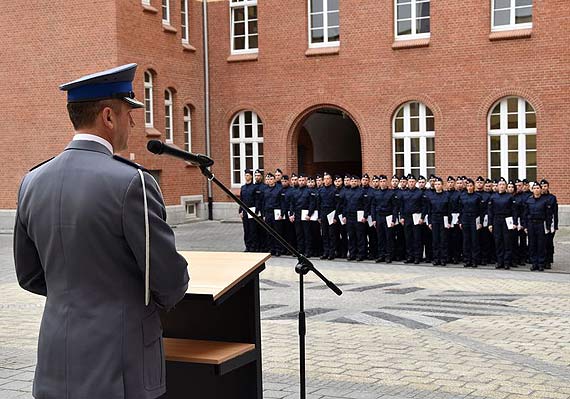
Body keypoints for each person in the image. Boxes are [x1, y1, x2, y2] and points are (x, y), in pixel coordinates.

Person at [14, 64, 190, 399]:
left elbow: (29, 275)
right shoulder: (132, 182)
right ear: (108, 116)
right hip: (119, 364)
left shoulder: (32, 181)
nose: (133, 122)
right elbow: (169, 281)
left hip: (56, 359)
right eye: (128, 113)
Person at [522, 182, 553, 271]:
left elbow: (548, 215)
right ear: (532, 190)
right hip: (531, 224)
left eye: (538, 188)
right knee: (532, 244)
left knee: (541, 244)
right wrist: (525, 226)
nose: (536, 190)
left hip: (540, 224)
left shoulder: (545, 201)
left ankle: (540, 263)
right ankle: (534, 263)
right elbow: (525, 214)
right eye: (534, 188)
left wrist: (548, 226)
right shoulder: (529, 200)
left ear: (540, 189)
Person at [488, 178, 517, 269]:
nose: (501, 186)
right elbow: (490, 212)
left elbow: (514, 211)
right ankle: (499, 261)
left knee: (507, 241)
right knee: (498, 241)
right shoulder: (493, 197)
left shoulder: (510, 197)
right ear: (497, 186)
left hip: (507, 220)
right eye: (500, 184)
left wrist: (515, 222)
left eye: (503, 185)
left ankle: (507, 262)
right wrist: (490, 224)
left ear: (506, 186)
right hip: (496, 220)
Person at [399, 174, 427, 264]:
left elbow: (424, 206)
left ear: (415, 182)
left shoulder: (419, 193)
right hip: (407, 217)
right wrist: (402, 217)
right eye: (410, 182)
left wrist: (422, 217)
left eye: (413, 182)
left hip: (416, 217)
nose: (411, 183)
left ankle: (417, 257)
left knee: (417, 238)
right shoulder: (404, 193)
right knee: (408, 238)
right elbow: (402, 207)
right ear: (407, 182)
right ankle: (409, 256)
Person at [370, 175, 399, 263]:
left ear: (387, 182)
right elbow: (373, 206)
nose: (382, 183)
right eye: (381, 181)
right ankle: (381, 255)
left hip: (388, 216)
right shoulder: (376, 193)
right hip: (379, 217)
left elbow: (395, 207)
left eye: (384, 181)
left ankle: (389, 255)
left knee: (389, 237)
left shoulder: (391, 193)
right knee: (380, 237)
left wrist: (394, 219)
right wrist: (374, 219)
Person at [341, 175, 368, 261]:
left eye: (355, 181)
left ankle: (361, 254)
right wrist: (344, 216)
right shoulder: (347, 192)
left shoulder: (362, 191)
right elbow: (344, 205)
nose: (353, 183)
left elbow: (366, 205)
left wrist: (365, 216)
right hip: (349, 216)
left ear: (358, 182)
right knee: (351, 236)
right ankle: (352, 253)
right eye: (352, 181)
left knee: (360, 236)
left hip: (359, 216)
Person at [289, 174, 317, 257]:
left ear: (305, 181)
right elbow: (292, 204)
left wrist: (309, 214)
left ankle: (308, 251)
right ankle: (300, 251)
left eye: (303, 180)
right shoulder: (295, 191)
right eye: (300, 180)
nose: (301, 182)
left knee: (307, 234)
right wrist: (291, 214)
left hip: (306, 215)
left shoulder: (309, 191)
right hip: (297, 215)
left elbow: (312, 204)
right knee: (299, 234)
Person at [459, 178, 484, 267]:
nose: (469, 187)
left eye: (471, 186)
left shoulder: (477, 196)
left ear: (473, 186)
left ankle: (474, 260)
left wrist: (480, 222)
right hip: (465, 219)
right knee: (466, 241)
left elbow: (481, 211)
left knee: (474, 240)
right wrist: (460, 221)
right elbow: (461, 209)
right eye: (468, 186)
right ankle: (467, 260)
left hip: (474, 219)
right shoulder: (462, 196)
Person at [426, 177, 450, 266]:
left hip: (443, 218)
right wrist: (429, 222)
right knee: (435, 239)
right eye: (436, 184)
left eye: (439, 184)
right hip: (434, 218)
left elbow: (449, 209)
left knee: (443, 239)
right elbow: (429, 210)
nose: (437, 186)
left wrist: (449, 221)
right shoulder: (431, 196)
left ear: (442, 185)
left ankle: (443, 258)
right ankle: (436, 258)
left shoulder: (446, 195)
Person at [262, 173, 284, 256]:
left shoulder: (279, 189)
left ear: (274, 180)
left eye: (271, 179)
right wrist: (264, 214)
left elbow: (282, 203)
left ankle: (278, 249)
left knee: (277, 232)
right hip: (268, 212)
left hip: (276, 212)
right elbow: (263, 203)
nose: (270, 181)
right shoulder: (265, 190)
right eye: (269, 179)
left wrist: (281, 213)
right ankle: (271, 249)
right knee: (269, 232)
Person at [318, 172, 339, 260]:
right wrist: (319, 216)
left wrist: (335, 217)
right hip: (323, 213)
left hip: (331, 213)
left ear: (331, 180)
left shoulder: (335, 190)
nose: (326, 180)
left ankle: (332, 252)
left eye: (328, 179)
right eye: (325, 179)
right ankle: (325, 252)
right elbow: (318, 204)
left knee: (332, 234)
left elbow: (338, 205)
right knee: (324, 234)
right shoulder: (321, 190)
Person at [240, 169, 260, 252]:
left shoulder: (255, 187)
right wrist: (240, 211)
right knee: (246, 229)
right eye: (245, 175)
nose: (246, 177)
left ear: (251, 176)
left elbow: (257, 200)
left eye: (248, 175)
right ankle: (247, 246)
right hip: (245, 210)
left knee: (253, 229)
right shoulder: (243, 187)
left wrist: (256, 211)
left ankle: (253, 246)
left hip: (252, 210)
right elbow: (241, 200)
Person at [541, 179, 558, 269]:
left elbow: (555, 212)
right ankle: (542, 260)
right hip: (541, 223)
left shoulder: (552, 198)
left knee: (549, 243)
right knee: (542, 243)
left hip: (550, 222)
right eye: (542, 186)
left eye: (545, 186)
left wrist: (555, 225)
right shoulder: (538, 197)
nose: (543, 188)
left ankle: (548, 260)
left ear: (548, 187)